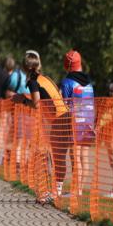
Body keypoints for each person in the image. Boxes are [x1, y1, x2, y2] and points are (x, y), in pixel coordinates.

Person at [13, 50, 69, 204]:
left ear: (25, 68)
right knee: (58, 157)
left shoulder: (33, 82)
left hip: (59, 120)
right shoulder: (46, 78)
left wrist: (22, 100)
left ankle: (54, 193)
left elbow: (37, 104)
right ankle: (56, 191)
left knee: (55, 157)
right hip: (65, 117)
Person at [60, 50, 95, 197]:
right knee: (84, 157)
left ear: (67, 66)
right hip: (88, 121)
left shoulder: (67, 82)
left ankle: (75, 191)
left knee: (75, 156)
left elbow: (63, 104)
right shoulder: (89, 82)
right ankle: (80, 189)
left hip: (75, 122)